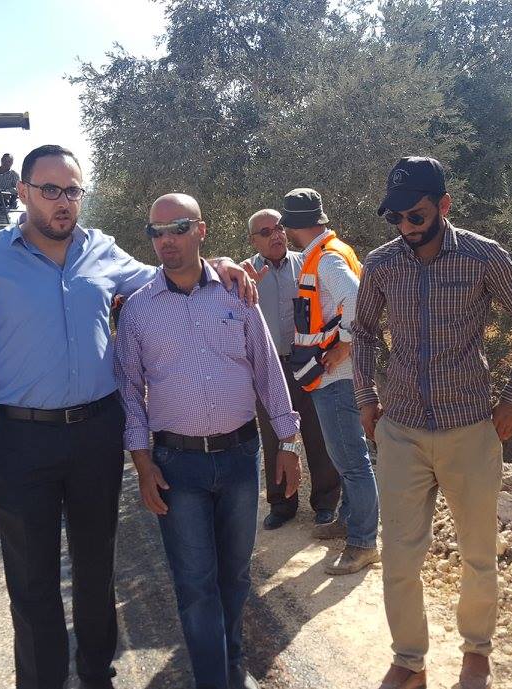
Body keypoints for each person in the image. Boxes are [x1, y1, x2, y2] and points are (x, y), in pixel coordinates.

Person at [0, 145, 257, 689]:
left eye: (72, 191)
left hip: (95, 434)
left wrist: (220, 265)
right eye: (50, 190)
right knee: (32, 581)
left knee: (95, 570)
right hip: (23, 439)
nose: (63, 202)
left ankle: (96, 676)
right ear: (23, 192)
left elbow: (168, 276)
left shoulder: (102, 251)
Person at [352, 157, 512, 689]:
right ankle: (409, 661)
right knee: (399, 557)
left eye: (416, 215)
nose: (406, 227)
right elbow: (364, 332)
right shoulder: (381, 264)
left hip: (469, 428)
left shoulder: (483, 257)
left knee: (478, 554)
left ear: (443, 205)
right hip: (401, 430)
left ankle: (476, 654)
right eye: (396, 217)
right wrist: (365, 398)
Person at [115, 193, 302, 689]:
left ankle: (232, 669)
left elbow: (267, 369)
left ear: (201, 230)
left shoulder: (237, 294)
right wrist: (143, 464)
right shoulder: (138, 311)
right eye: (156, 232)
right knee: (196, 586)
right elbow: (130, 391)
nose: (166, 241)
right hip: (176, 466)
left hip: (240, 458)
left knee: (235, 578)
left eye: (177, 228)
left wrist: (289, 442)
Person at [279, 188, 381, 576]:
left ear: (293, 226)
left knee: (352, 462)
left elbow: (356, 299)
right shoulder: (330, 251)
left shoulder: (326, 260)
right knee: (349, 457)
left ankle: (363, 543)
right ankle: (349, 521)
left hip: (336, 375)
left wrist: (345, 345)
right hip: (334, 374)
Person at [244, 208, 341, 530]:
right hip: (268, 368)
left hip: (310, 363)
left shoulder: (308, 264)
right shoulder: (246, 274)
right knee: (275, 437)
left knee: (318, 432)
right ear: (253, 241)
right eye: (265, 232)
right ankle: (282, 504)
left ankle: (325, 502)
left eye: (279, 228)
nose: (275, 235)